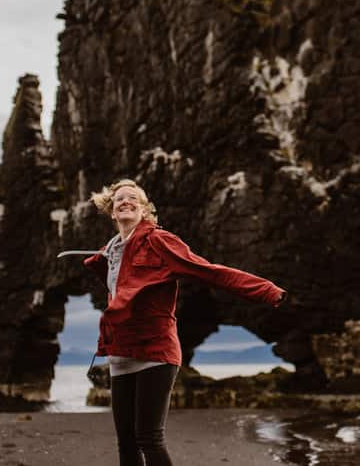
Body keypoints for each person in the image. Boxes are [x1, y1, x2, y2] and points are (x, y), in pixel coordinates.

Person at [83, 178, 286, 466]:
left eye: (133, 198)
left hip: (155, 353)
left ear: (144, 210)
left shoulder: (159, 241)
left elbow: (209, 271)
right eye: (119, 199)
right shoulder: (111, 253)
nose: (125, 201)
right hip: (121, 354)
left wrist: (266, 290)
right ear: (112, 212)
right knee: (126, 443)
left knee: (148, 439)